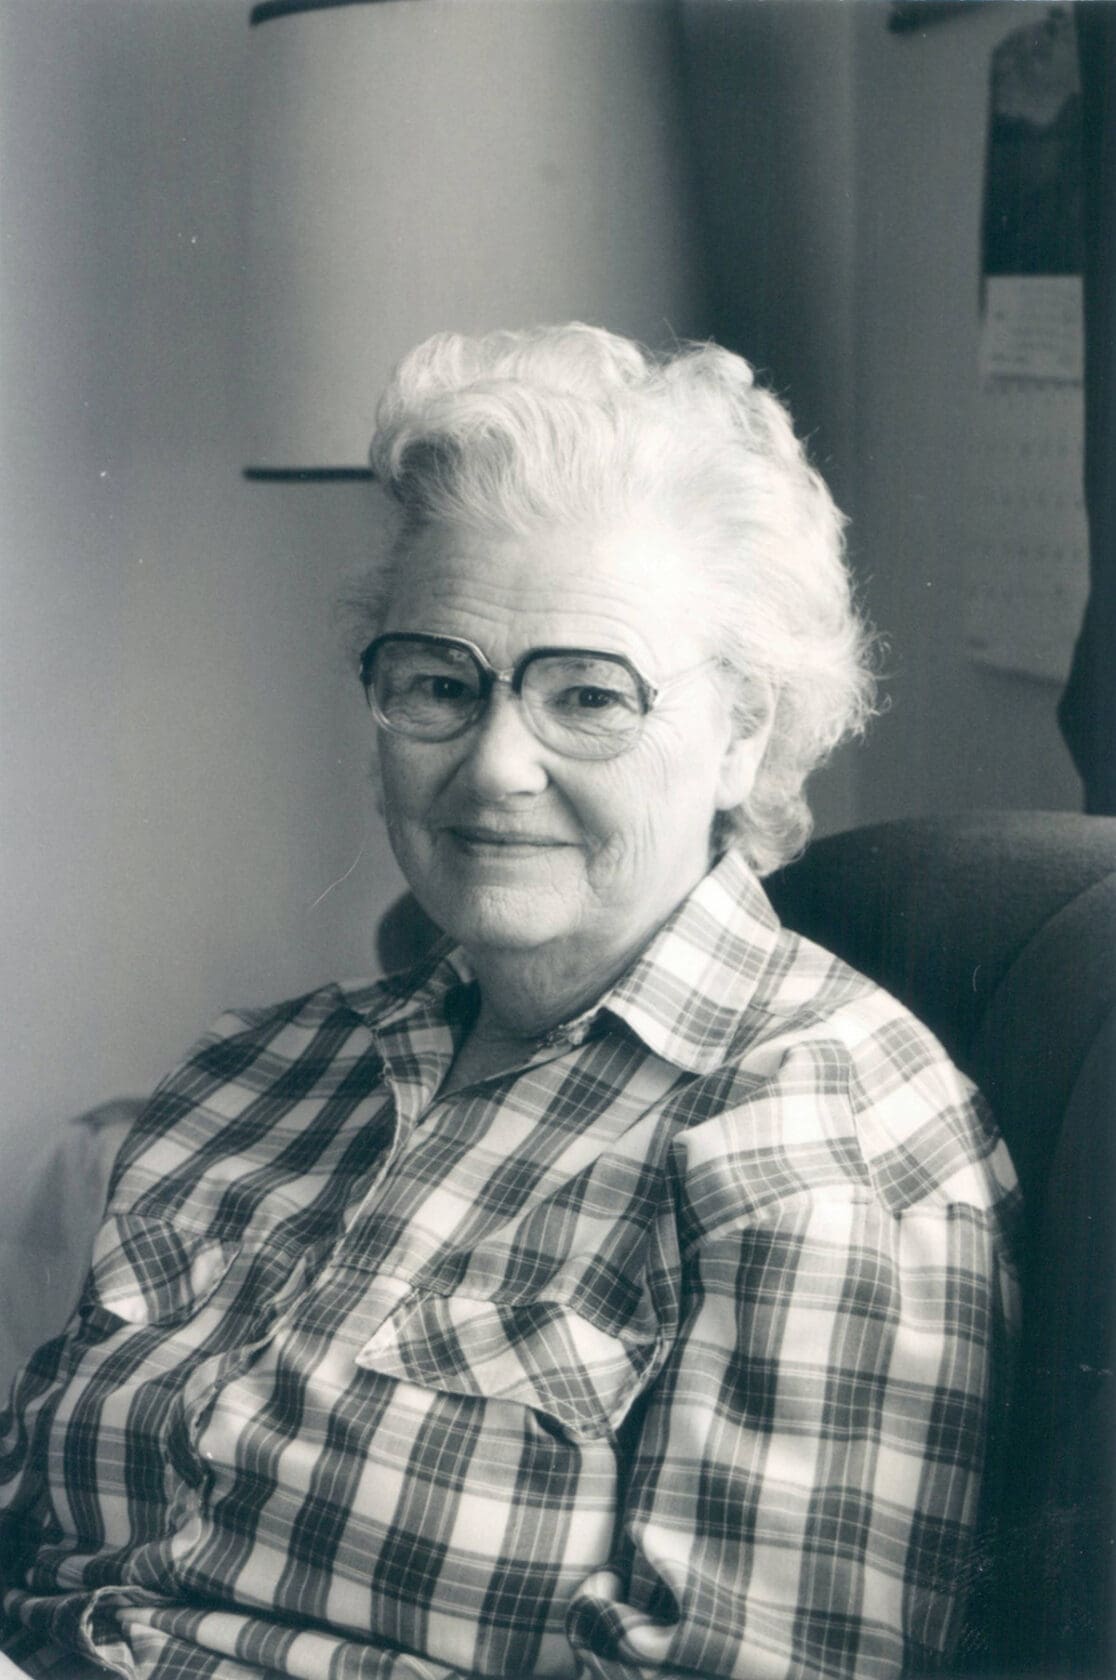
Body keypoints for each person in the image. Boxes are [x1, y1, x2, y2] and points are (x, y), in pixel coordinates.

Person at [0, 325, 1019, 1680]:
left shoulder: (821, 1149)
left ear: (745, 731)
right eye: (438, 684)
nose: (495, 769)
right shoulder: (254, 1077)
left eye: (587, 697)